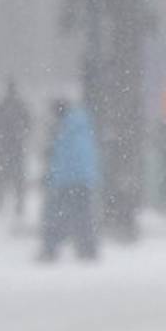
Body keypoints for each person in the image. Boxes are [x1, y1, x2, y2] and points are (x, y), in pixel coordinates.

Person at [40, 98, 100, 262]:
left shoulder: (66, 130)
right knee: (83, 217)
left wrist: (52, 177)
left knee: (57, 216)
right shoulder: (81, 127)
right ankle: (88, 249)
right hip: (83, 180)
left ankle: (50, 250)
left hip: (68, 181)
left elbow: (63, 159)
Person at [0, 80, 32, 219]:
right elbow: (29, 123)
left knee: (2, 178)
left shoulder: (1, 105)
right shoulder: (20, 105)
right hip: (16, 148)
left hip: (3, 149)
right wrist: (21, 134)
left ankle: (0, 204)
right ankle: (19, 206)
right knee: (18, 179)